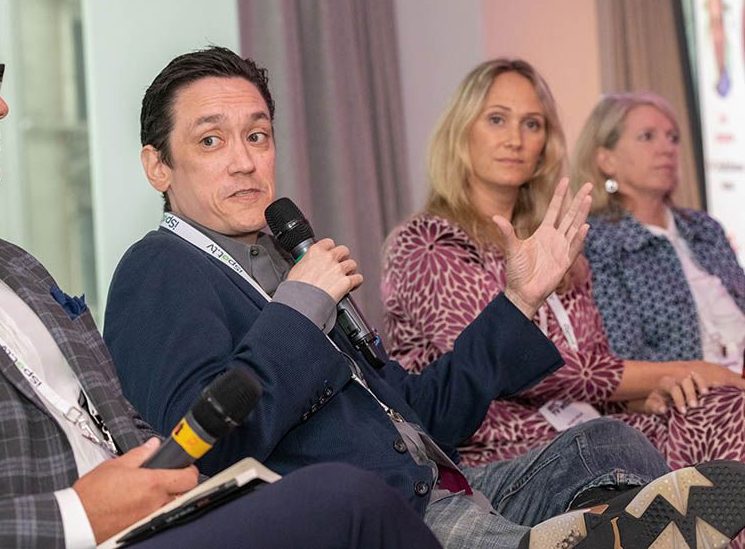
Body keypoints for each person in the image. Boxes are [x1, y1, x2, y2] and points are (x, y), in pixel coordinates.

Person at [0, 0, 448, 549]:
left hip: (174, 513)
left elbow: (144, 432)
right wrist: (75, 516)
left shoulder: (9, 265)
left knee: (354, 491)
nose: (1, 101)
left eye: (257, 136)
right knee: (347, 498)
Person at [104, 46, 745, 549]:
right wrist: (299, 311)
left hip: (448, 482)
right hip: (379, 514)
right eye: (211, 140)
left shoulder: (284, 261)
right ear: (158, 167)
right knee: (499, 536)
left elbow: (420, 412)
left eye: (259, 135)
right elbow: (200, 454)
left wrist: (518, 300)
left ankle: (580, 537)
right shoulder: (159, 270)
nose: (245, 161)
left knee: (607, 444)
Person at [382, 59, 745, 477]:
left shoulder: (556, 240)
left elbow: (591, 361)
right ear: (462, 133)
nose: (515, 139)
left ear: (544, 147)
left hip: (595, 428)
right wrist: (692, 370)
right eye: (497, 120)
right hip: (503, 449)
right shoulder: (428, 242)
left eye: (532, 124)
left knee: (723, 410)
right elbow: (514, 367)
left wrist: (642, 398)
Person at [572, 92, 745, 372]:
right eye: (647, 137)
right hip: (684, 401)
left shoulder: (704, 229)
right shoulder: (596, 242)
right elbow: (622, 357)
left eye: (673, 138)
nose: (667, 149)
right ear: (606, 160)